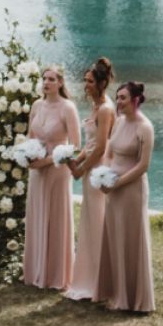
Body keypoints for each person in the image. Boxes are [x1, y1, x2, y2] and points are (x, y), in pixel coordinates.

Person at [92, 80, 156, 314]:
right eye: (117, 97)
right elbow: (109, 153)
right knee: (114, 238)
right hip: (112, 188)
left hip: (131, 191)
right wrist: (104, 176)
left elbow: (143, 165)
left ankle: (132, 298)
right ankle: (115, 293)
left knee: (130, 240)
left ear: (136, 100)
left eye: (123, 98)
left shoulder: (145, 127)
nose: (118, 102)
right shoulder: (118, 122)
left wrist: (118, 182)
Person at [22, 65, 81, 291]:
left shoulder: (68, 108)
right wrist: (27, 157)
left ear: (61, 83)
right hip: (36, 170)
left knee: (56, 217)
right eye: (44, 79)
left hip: (57, 170)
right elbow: (30, 137)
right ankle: (35, 271)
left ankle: (57, 274)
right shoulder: (37, 105)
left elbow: (75, 146)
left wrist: (46, 161)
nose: (46, 83)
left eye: (52, 79)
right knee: (37, 214)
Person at [67, 59, 117, 302]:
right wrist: (75, 160)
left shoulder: (107, 109)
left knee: (97, 224)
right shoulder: (96, 107)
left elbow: (101, 148)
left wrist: (82, 169)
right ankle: (87, 278)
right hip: (89, 170)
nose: (85, 85)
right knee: (89, 223)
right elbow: (89, 145)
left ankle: (100, 282)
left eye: (90, 81)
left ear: (102, 83)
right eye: (85, 80)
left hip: (98, 173)